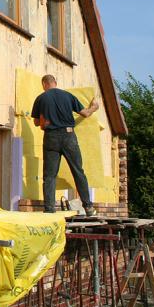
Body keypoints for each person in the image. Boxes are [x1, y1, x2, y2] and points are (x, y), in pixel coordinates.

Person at [31, 74, 99, 215]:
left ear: (44, 84)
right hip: (69, 137)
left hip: (50, 138)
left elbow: (37, 122)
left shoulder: (41, 98)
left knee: (49, 176)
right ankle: (88, 207)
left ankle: (49, 210)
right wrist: (94, 107)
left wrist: (46, 120)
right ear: (55, 82)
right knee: (78, 171)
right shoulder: (68, 96)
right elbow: (85, 114)